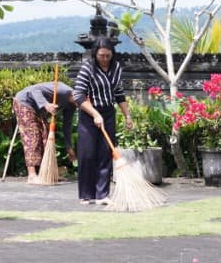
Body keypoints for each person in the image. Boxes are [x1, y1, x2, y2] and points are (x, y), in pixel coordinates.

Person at [72, 37, 132, 205]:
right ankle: (86, 194)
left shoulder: (116, 68)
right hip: (89, 113)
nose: (105, 59)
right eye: (101, 55)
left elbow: (119, 93)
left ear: (112, 54)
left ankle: (102, 194)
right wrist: (94, 114)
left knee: (105, 153)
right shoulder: (87, 69)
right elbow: (78, 95)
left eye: (108, 55)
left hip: (108, 113)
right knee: (88, 154)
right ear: (95, 54)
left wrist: (127, 115)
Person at [13, 80, 76, 184]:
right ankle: (32, 175)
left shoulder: (73, 105)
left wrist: (69, 147)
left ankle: (47, 173)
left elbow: (67, 125)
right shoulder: (63, 90)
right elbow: (34, 89)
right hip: (25, 102)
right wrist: (46, 105)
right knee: (32, 136)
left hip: (38, 110)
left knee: (45, 137)